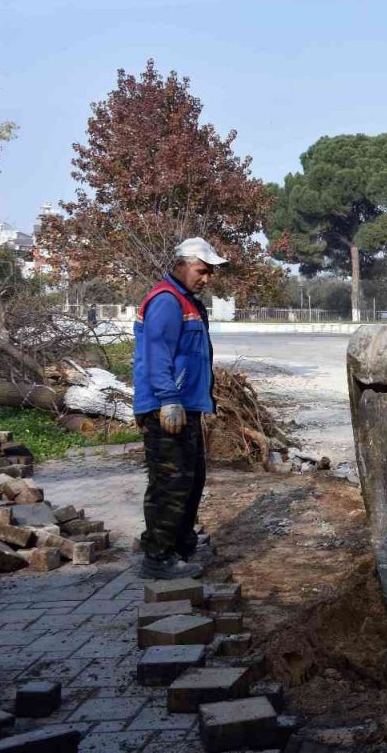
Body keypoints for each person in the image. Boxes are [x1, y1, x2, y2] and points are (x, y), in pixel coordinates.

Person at [132, 237, 226, 580]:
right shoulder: (167, 302)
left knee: (191, 479)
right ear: (182, 265)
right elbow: (157, 353)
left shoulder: (188, 302)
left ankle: (180, 544)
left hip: (184, 407)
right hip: (166, 409)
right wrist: (168, 398)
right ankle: (157, 557)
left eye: (210, 273)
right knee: (170, 484)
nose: (206, 279)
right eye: (202, 271)